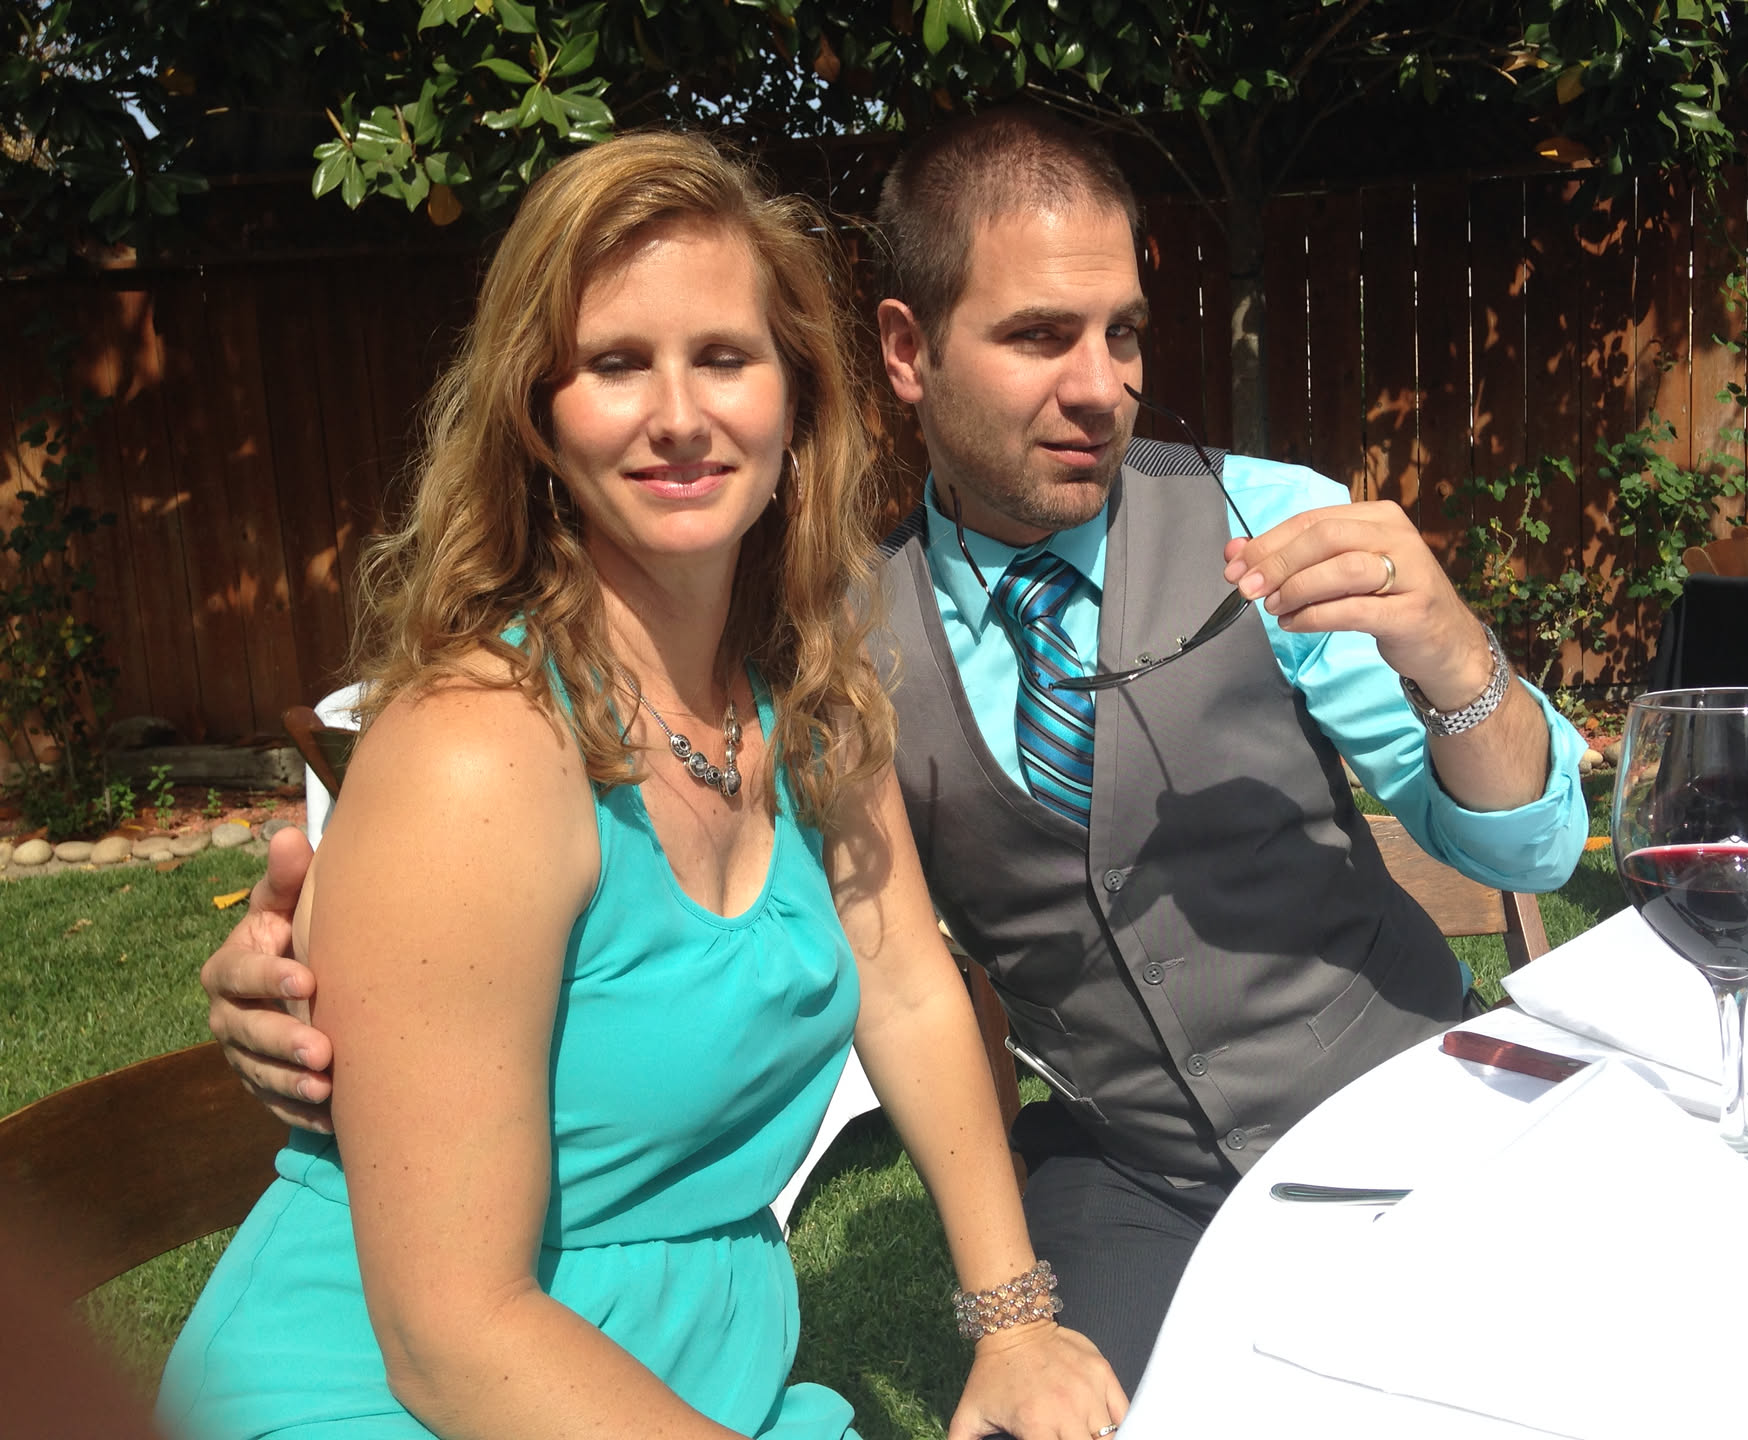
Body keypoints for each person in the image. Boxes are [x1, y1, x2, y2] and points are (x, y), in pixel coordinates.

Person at [200, 109, 1589, 1394]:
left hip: (1402, 1108)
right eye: (1040, 335)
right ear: (907, 354)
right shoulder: (841, 646)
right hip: (1133, 1172)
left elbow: (1531, 852)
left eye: (1123, 333)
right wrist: (318, 966)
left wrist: (1459, 662)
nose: (1101, 386)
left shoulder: (1265, 526)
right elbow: (541, 876)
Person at [159, 130, 1124, 1440]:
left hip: (690, 1378)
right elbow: (450, 1338)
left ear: (796, 397)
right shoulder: (476, 752)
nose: (680, 414)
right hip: (402, 1396)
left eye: (723, 357)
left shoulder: (809, 697)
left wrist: (1015, 1323)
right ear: (538, 418)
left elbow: (905, 980)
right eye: (616, 364)